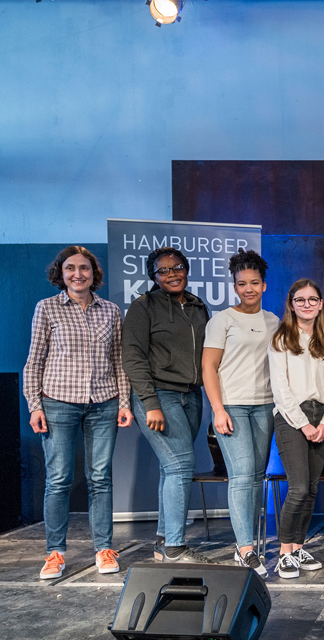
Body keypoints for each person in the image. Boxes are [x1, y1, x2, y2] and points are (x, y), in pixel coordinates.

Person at [22, 246, 133, 580]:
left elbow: (119, 360)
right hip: (57, 401)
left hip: (104, 402)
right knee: (59, 479)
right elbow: (34, 360)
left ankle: (104, 548)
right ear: (62, 273)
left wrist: (124, 402)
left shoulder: (111, 311)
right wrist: (34, 405)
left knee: (100, 477)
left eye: (84, 268)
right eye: (70, 268)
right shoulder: (47, 308)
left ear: (93, 273)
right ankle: (55, 553)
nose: (78, 274)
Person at [122, 246, 210, 563]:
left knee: (170, 468)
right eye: (164, 270)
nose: (172, 274)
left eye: (177, 267)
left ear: (186, 269)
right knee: (180, 466)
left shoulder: (199, 307)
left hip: (192, 396)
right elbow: (132, 358)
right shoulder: (143, 307)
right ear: (154, 277)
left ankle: (163, 541)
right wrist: (150, 403)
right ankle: (174, 546)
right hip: (159, 395)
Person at [202, 249, 280, 578]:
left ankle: (247, 543)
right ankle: (245, 549)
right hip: (231, 406)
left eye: (254, 282)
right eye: (241, 283)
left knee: (256, 477)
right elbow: (208, 367)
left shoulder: (274, 321)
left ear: (264, 285)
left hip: (264, 406)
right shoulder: (222, 320)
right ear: (234, 286)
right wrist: (217, 410)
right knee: (242, 473)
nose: (248, 288)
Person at [268, 278, 324, 579]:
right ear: (291, 305)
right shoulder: (281, 339)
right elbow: (281, 391)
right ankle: (284, 553)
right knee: (298, 489)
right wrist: (304, 424)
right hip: (292, 419)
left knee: (312, 491)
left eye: (312, 299)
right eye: (300, 300)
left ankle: (298, 547)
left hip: (320, 418)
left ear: (320, 304)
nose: (307, 304)